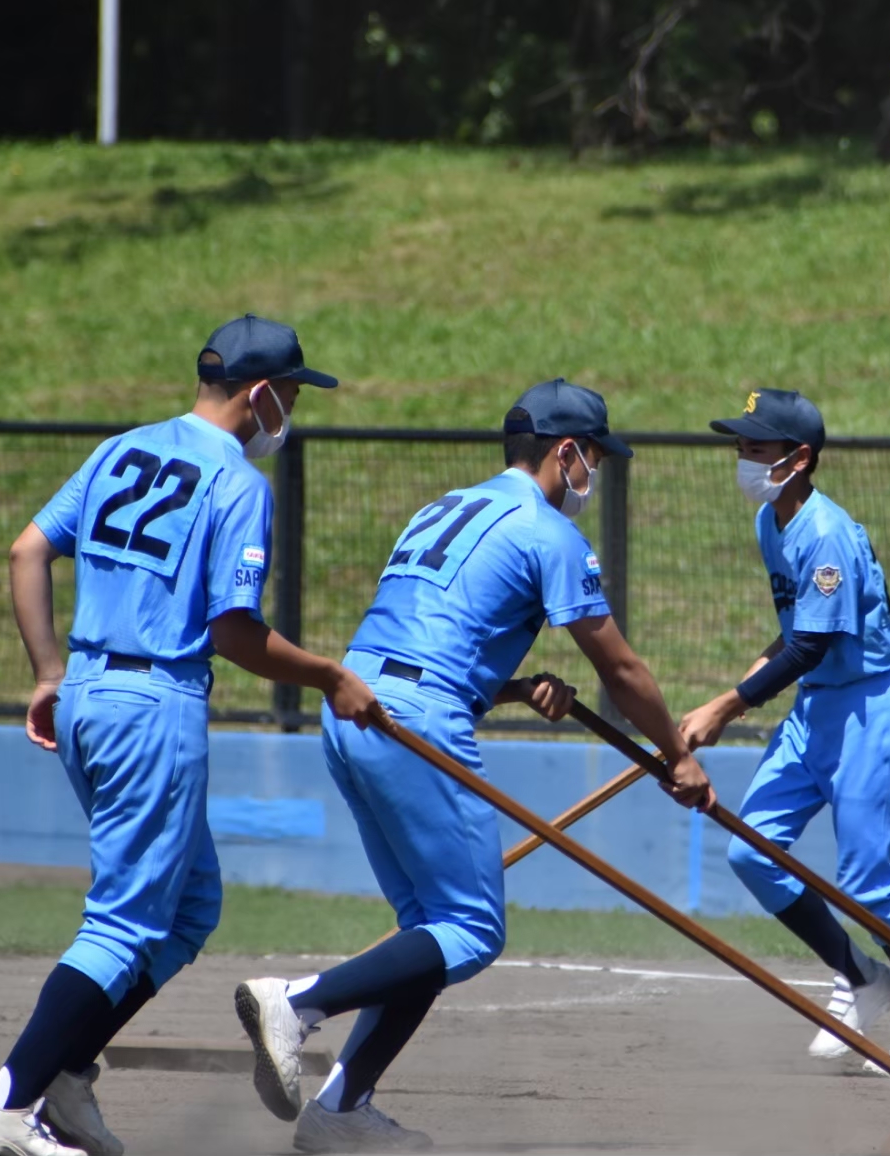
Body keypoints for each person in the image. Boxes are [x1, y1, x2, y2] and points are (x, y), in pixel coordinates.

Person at [234, 378, 714, 1154]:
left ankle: (342, 1107)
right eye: (594, 457)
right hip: (417, 720)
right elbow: (621, 669)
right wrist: (678, 756)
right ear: (566, 451)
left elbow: (427, 637)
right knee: (472, 930)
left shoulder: (446, 506)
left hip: (356, 702)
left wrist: (516, 687)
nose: (595, 473)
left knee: (429, 928)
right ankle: (299, 1001)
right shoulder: (548, 530)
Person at [0, 315, 379, 1156]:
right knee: (123, 922)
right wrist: (329, 674)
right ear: (261, 392)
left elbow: (27, 550)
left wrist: (48, 673)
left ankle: (65, 1075)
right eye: (292, 393)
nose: (292, 409)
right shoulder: (239, 482)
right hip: (154, 704)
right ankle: (8, 1098)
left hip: (87, 691)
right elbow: (234, 632)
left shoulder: (121, 447)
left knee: (189, 904)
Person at [677, 388, 890, 1080]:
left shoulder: (827, 532)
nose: (743, 457)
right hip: (814, 708)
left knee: (867, 883)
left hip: (866, 709)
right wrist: (737, 695)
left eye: (757, 447)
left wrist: (726, 706)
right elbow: (794, 631)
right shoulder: (770, 521)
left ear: (799, 458)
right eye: (741, 445)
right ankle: (863, 977)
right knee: (752, 851)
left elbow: (813, 643)